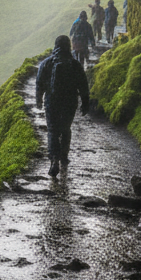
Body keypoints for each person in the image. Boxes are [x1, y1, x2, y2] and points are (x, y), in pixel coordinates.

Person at [36, 34, 90, 177]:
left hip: (52, 100)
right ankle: (64, 156)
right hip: (70, 101)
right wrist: (85, 103)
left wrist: (39, 100)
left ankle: (54, 160)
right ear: (68, 46)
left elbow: (39, 82)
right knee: (66, 128)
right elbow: (83, 85)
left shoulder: (47, 63)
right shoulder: (75, 65)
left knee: (53, 130)